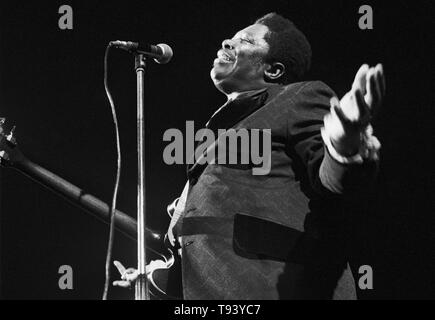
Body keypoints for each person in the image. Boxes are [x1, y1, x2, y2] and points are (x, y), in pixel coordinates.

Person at [114, 12, 385, 300]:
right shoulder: (218, 133)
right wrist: (162, 274)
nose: (226, 42)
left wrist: (343, 146)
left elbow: (333, 182)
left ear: (273, 70)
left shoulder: (299, 97)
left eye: (243, 40)